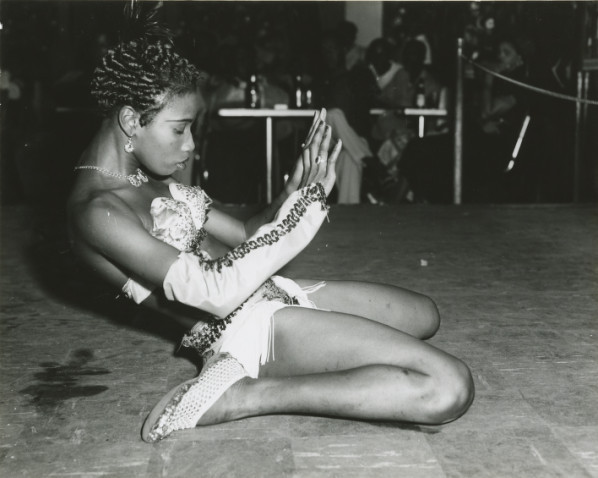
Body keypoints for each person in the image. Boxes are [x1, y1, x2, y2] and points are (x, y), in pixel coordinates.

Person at [67, 6, 474, 443]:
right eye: (180, 129)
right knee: (449, 387)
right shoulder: (97, 212)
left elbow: (244, 234)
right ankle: (243, 395)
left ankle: (295, 346)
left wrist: (293, 193)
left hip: (270, 293)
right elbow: (213, 293)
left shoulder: (141, 178)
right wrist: (303, 216)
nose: (188, 145)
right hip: (243, 330)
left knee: (424, 314)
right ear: (131, 120)